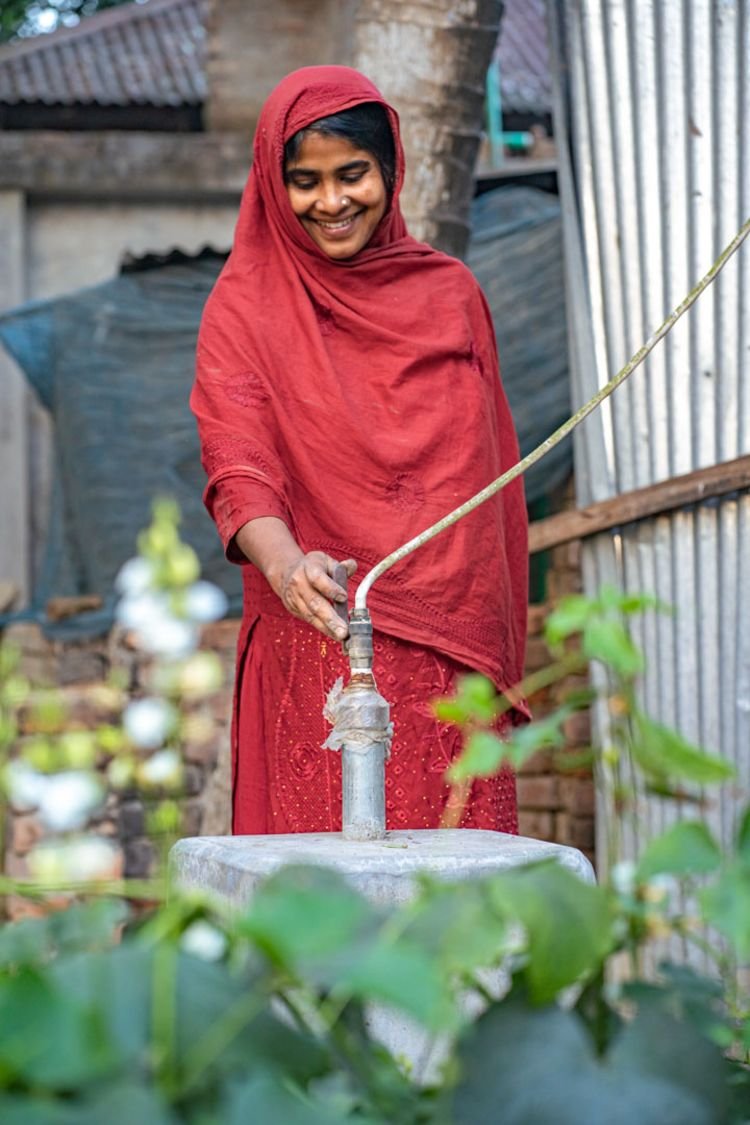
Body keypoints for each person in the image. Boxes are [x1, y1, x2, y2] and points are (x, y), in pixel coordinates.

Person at [191, 66, 528, 836]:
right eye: (304, 182)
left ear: (390, 171)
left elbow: (485, 489)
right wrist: (286, 564)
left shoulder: (451, 297)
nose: (332, 202)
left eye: (353, 174)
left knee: (453, 915)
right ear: (274, 189)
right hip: (316, 634)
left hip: (448, 657)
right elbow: (237, 463)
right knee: (321, 922)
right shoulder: (244, 308)